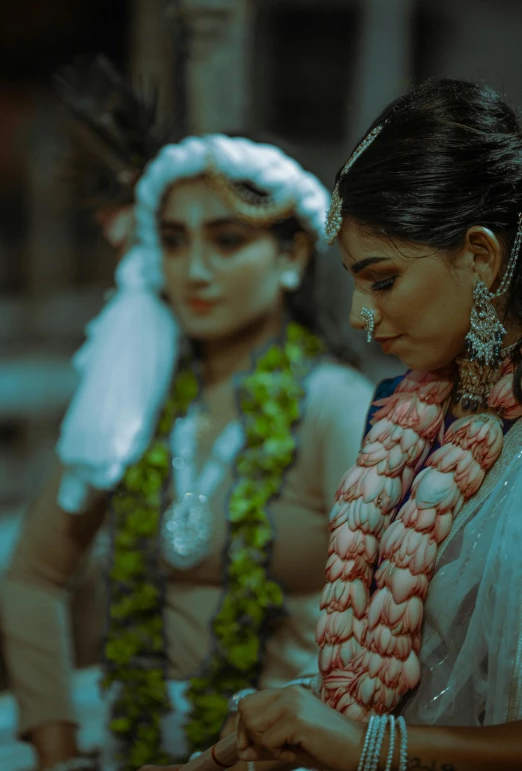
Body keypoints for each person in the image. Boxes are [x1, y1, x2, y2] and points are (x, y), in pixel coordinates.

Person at [138, 78, 522, 771]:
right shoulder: (405, 416)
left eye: (381, 280)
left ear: (480, 256)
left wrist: (371, 748)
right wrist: (291, 721)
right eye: (351, 282)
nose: (357, 316)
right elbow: (406, 671)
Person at [0, 132, 373, 771]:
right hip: (128, 740)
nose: (195, 270)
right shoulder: (129, 403)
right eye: (174, 242)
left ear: (292, 256)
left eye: (227, 241)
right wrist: (57, 749)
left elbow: (390, 630)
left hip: (283, 756)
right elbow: (34, 575)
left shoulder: (336, 408)